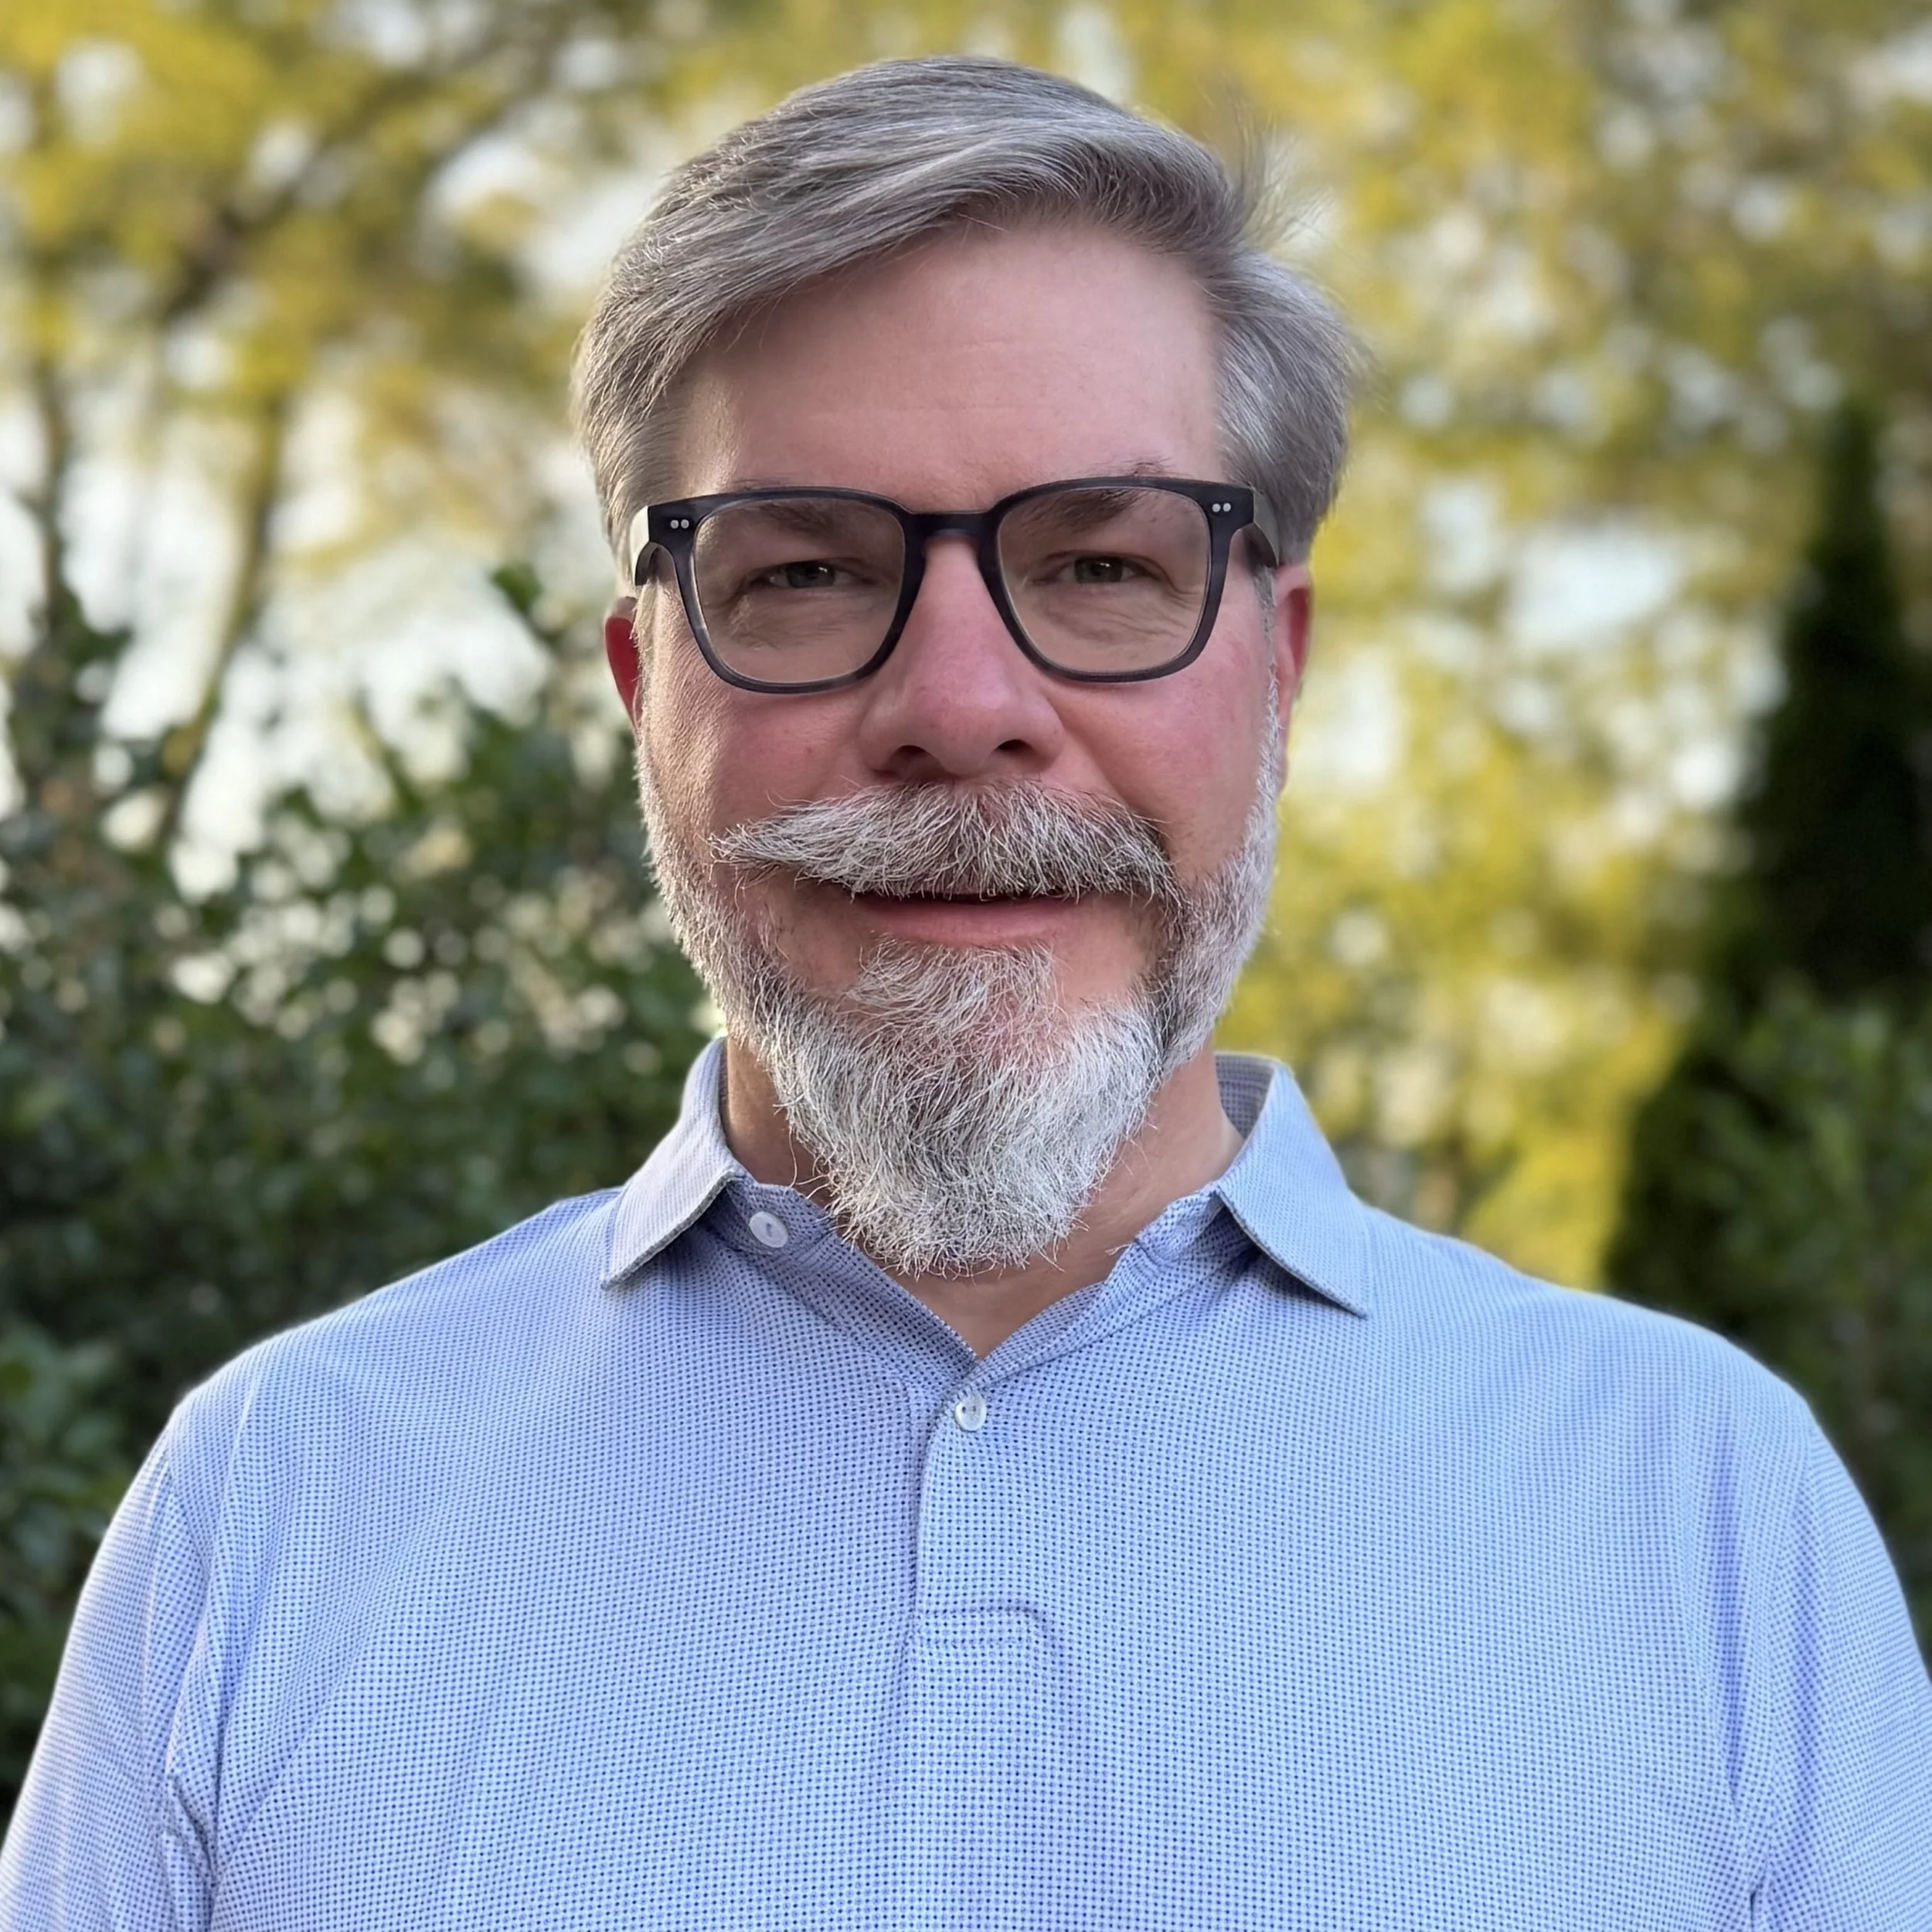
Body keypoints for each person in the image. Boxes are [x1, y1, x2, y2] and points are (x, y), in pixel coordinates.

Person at [3, 54, 1927, 1932]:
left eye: (1098, 561)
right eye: (805, 576)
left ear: (1279, 663)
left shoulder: (1697, 1509)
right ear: (637, 689)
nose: (957, 707)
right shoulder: (278, 1505)